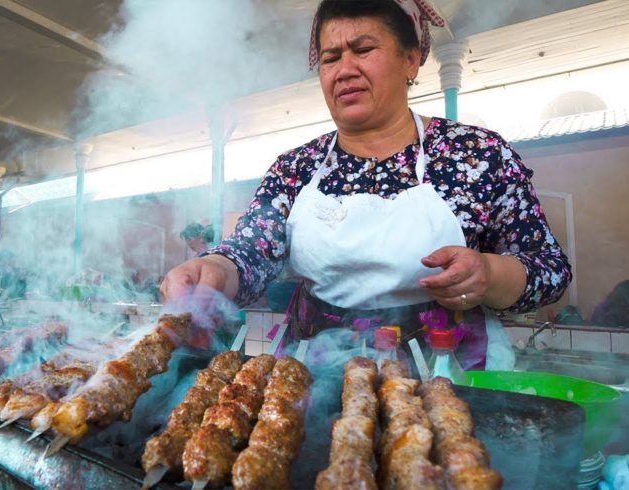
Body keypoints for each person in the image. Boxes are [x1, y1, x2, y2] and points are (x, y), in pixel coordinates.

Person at [160, 0, 572, 371]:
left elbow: (549, 269)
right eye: (330, 57)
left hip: (448, 372)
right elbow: (252, 252)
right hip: (313, 376)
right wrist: (213, 269)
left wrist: (490, 273)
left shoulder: (474, 153)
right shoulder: (296, 167)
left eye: (363, 49)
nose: (345, 70)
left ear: (411, 60)